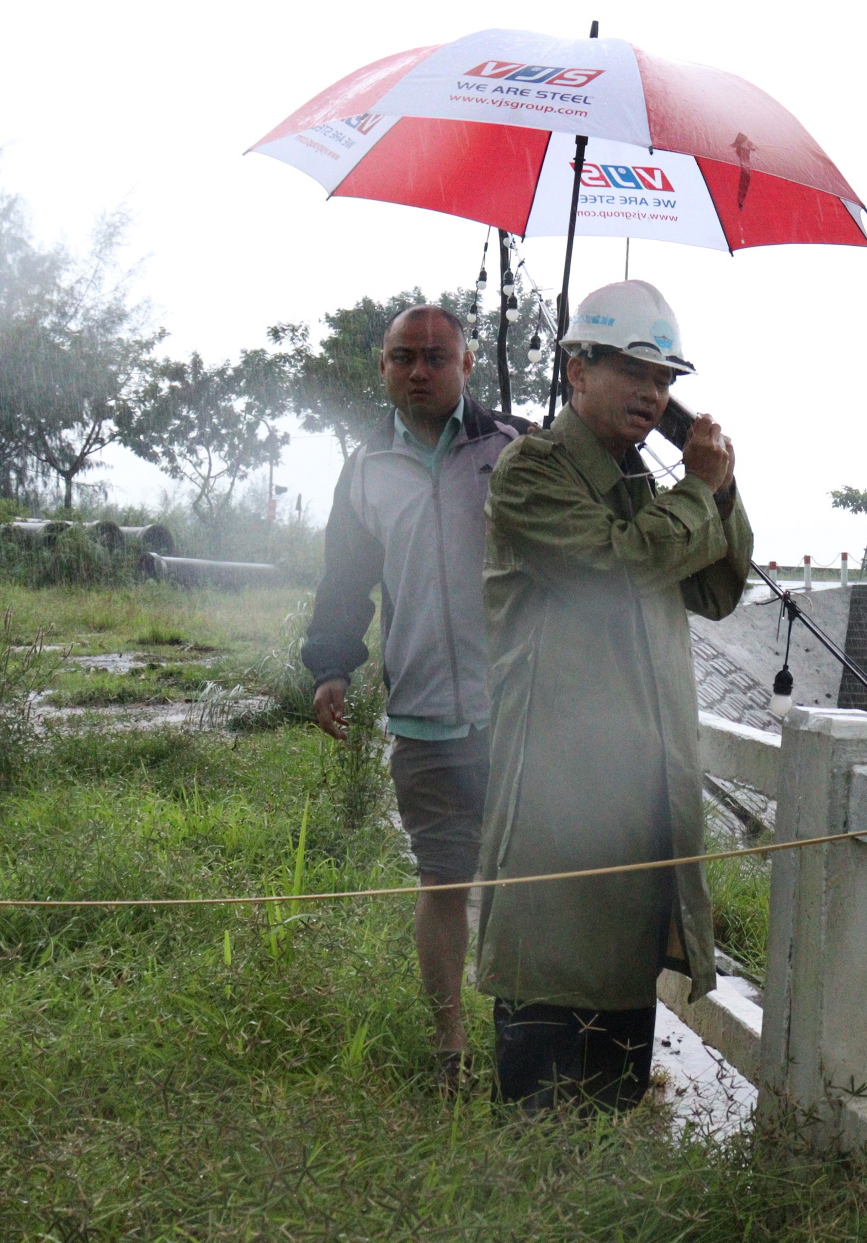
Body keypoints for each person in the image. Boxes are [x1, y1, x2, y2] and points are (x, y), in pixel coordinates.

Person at [473, 280, 753, 1112]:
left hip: (636, 805)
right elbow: (622, 567)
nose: (650, 391)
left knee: (617, 1080)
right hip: (557, 809)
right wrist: (695, 492)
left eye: (664, 379)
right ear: (575, 371)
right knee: (545, 1072)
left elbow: (720, 587)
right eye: (630, 368)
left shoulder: (642, 483)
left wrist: (721, 482)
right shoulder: (531, 473)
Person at [300, 305, 531, 1089]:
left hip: (519, 710)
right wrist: (332, 665)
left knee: (523, 880)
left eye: (436, 356)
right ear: (383, 367)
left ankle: (526, 1041)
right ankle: (450, 1048)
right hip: (425, 712)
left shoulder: (515, 450)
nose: (420, 371)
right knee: (444, 879)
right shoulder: (365, 469)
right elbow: (345, 579)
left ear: (469, 364)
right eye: (404, 357)